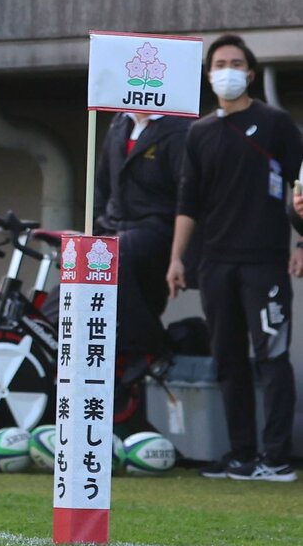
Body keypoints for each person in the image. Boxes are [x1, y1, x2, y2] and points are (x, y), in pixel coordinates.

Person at [167, 33, 303, 482]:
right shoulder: (199, 132)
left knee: (272, 357)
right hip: (215, 265)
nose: (227, 69)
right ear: (208, 74)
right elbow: (188, 203)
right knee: (227, 359)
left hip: (265, 262)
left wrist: (301, 243)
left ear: (250, 71)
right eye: (219, 62)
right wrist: (176, 259)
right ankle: (242, 454)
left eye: (236, 62)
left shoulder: (276, 123)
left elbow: (300, 186)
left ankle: (277, 458)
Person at [92, 105, 187, 428]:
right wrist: (96, 228)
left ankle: (142, 350)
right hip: (115, 225)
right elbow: (102, 183)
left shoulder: (179, 128)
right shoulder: (118, 124)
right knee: (82, 259)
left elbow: (185, 195)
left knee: (122, 253)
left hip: (156, 229)